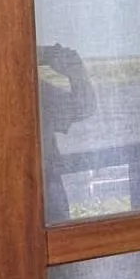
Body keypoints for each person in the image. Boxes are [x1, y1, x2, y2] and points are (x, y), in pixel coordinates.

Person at [38, 43, 98, 222]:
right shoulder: (31, 90)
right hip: (44, 187)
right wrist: (75, 69)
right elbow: (83, 107)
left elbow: (82, 107)